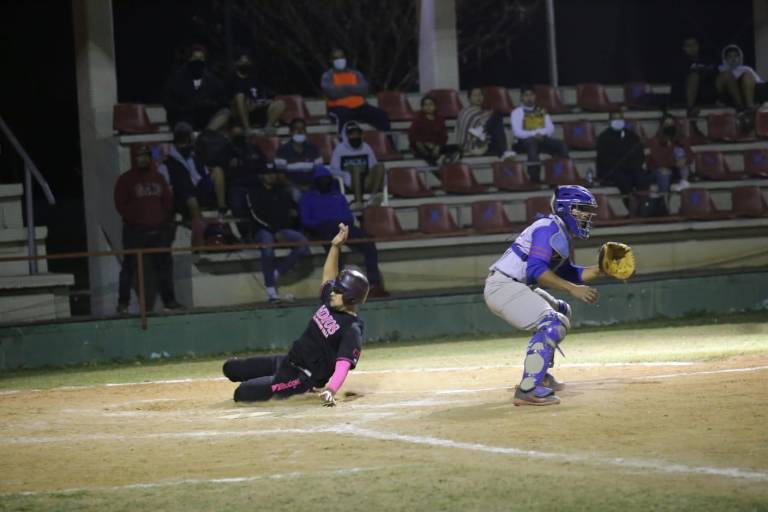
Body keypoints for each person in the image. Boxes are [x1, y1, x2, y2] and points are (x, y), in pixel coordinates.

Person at [484, 185, 604, 406]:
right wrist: (571, 289)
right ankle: (528, 389)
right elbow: (537, 271)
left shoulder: (559, 231)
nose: (587, 216)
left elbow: (568, 273)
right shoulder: (547, 227)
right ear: (565, 209)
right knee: (553, 322)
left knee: (561, 310)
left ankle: (540, 375)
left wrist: (601, 269)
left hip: (514, 286)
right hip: (503, 286)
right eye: (581, 210)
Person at [222, 223, 367, 405]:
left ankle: (305, 389)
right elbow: (328, 276)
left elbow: (343, 364)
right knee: (231, 368)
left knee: (242, 393)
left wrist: (331, 389)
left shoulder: (351, 329)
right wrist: (335, 246)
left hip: (302, 378)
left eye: (338, 291)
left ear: (351, 298)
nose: (333, 291)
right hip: (288, 361)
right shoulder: (332, 303)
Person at [300, 165, 389, 297]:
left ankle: (375, 284)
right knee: (335, 249)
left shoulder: (338, 196)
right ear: (316, 181)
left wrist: (342, 224)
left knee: (368, 242)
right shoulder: (307, 198)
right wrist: (322, 224)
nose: (324, 181)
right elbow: (305, 220)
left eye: (327, 179)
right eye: (321, 179)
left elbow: (349, 217)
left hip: (343, 227)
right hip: (322, 228)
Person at [114, 144, 183, 314]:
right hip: (135, 232)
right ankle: (123, 303)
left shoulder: (158, 177)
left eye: (145, 155)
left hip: (159, 232)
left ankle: (170, 301)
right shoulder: (125, 179)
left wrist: (163, 221)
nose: (143, 159)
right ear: (134, 158)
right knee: (129, 268)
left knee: (164, 268)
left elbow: (167, 200)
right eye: (139, 156)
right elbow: (120, 204)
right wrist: (137, 220)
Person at [247, 166, 310, 303]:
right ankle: (271, 291)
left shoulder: (282, 192)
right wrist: (274, 231)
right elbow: (254, 215)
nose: (271, 176)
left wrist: (283, 227)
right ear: (261, 176)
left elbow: (287, 212)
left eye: (273, 173)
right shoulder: (253, 192)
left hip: (281, 229)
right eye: (268, 174)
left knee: (303, 244)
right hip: (262, 229)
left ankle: (276, 273)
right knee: (268, 250)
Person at [158, 122, 227, 222]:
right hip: (184, 195)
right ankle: (201, 228)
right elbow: (165, 185)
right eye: (182, 142)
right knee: (190, 198)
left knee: (217, 170)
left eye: (187, 142)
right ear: (176, 142)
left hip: (200, 189)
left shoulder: (196, 155)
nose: (185, 145)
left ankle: (222, 208)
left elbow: (205, 173)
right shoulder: (167, 162)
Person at [321, 48, 391, 133]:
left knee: (382, 115)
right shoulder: (327, 76)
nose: (340, 60)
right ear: (331, 61)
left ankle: (388, 143)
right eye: (336, 58)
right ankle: (344, 144)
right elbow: (332, 93)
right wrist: (353, 89)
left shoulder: (356, 73)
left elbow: (364, 89)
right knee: (343, 118)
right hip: (338, 108)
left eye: (341, 57)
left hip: (360, 107)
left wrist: (342, 88)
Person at [217, 50, 286, 134]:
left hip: (256, 109)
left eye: (247, 61)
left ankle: (268, 127)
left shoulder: (254, 79)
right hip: (238, 113)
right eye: (242, 61)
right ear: (236, 63)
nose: (245, 63)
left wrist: (261, 102)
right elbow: (226, 101)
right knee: (240, 96)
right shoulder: (231, 79)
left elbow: (261, 96)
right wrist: (246, 103)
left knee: (280, 103)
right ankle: (247, 128)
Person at [511, 85, 569, 183]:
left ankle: (565, 174)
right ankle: (534, 178)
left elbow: (550, 128)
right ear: (521, 97)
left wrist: (540, 134)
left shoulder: (541, 110)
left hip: (541, 139)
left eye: (531, 95)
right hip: (523, 142)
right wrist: (535, 134)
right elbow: (517, 132)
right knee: (532, 143)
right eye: (526, 95)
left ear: (535, 96)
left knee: (561, 144)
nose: (529, 98)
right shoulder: (516, 112)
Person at [596, 111, 654, 207]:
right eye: (615, 118)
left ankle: (644, 206)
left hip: (632, 168)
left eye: (620, 118)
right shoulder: (603, 138)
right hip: (612, 170)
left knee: (642, 178)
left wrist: (632, 166)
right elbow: (605, 159)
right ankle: (632, 208)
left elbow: (640, 155)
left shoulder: (632, 136)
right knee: (624, 180)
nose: (618, 121)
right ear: (610, 121)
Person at [163, 45, 227, 132]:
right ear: (189, 59)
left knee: (225, 113)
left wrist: (210, 104)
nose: (198, 61)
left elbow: (221, 101)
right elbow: (168, 102)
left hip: (206, 119)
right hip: (184, 119)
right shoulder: (176, 78)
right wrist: (186, 107)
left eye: (201, 58)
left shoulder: (212, 79)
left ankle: (205, 134)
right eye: (195, 58)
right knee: (183, 129)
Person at [330, 121, 386, 207]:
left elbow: (373, 165)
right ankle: (359, 202)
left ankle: (373, 197)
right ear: (347, 135)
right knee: (356, 168)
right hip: (350, 182)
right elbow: (333, 170)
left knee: (380, 166)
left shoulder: (366, 147)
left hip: (366, 180)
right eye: (352, 134)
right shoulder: (339, 149)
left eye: (357, 134)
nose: (355, 136)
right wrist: (346, 174)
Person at [716, 44, 768, 127]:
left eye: (736, 56)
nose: (733, 59)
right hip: (730, 95)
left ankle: (749, 109)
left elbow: (759, 83)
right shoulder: (720, 68)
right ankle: (741, 108)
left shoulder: (746, 69)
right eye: (730, 56)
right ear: (725, 58)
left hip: (748, 92)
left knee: (747, 76)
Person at [455, 87, 513, 159]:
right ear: (469, 98)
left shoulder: (463, 111)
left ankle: (503, 152)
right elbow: (491, 117)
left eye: (480, 95)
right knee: (497, 116)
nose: (478, 97)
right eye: (475, 95)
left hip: (466, 146)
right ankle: (504, 152)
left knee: (497, 125)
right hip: (473, 148)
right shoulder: (472, 113)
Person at [274, 118, 324, 197]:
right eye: (296, 129)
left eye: (302, 129)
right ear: (290, 132)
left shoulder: (314, 149)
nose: (300, 131)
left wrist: (311, 186)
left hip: (311, 186)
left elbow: (320, 172)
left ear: (306, 132)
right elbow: (281, 177)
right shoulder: (282, 151)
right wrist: (299, 187)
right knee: (296, 194)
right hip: (292, 187)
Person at [671, 36, 718, 117]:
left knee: (726, 75)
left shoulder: (706, 59)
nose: (692, 47)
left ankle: (742, 108)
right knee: (694, 76)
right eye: (689, 45)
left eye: (694, 44)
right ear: (684, 48)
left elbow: (714, 71)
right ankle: (690, 110)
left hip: (704, 93)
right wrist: (701, 71)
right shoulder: (679, 61)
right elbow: (681, 77)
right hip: (683, 95)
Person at [408, 95, 459, 166]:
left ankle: (443, 159)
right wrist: (426, 144)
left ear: (435, 106)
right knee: (423, 150)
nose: (428, 107)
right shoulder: (418, 120)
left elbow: (444, 136)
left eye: (431, 104)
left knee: (457, 148)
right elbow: (412, 137)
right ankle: (440, 168)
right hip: (421, 147)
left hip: (437, 146)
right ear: (422, 107)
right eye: (425, 105)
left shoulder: (440, 119)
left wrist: (437, 146)